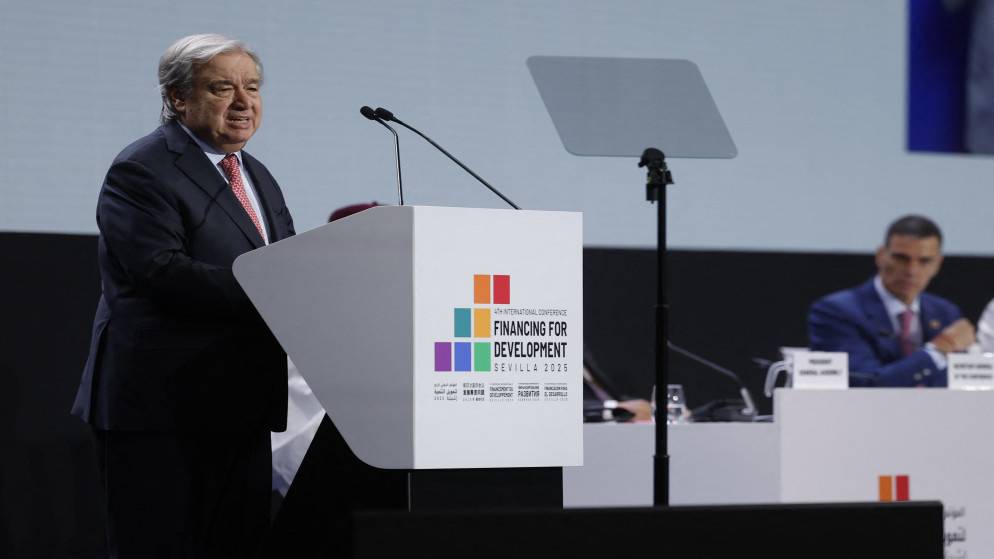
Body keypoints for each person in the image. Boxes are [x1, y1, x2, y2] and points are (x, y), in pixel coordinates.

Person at [70, 34, 295, 557]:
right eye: (222, 88)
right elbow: (160, 272)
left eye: (252, 87)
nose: (243, 103)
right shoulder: (142, 168)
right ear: (177, 97)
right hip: (161, 406)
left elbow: (284, 260)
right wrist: (278, 291)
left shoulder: (256, 174)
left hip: (241, 402)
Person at [807, 215, 974, 387]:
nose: (911, 271)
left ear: (938, 264)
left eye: (924, 261)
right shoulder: (837, 311)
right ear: (881, 256)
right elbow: (865, 383)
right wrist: (938, 350)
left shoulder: (945, 313)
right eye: (901, 258)